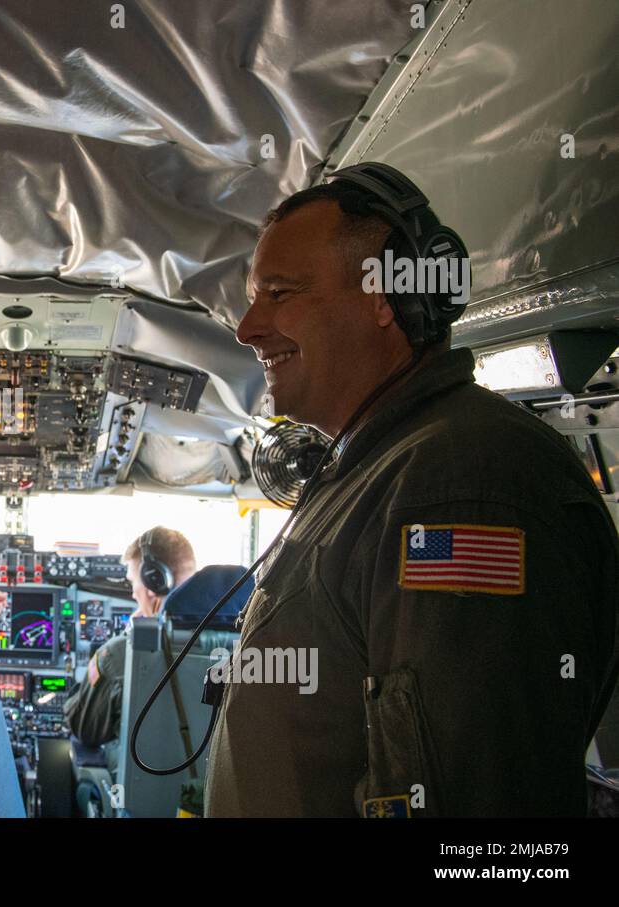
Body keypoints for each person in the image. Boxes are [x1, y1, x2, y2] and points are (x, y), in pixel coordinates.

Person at [205, 162, 619, 817]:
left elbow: (469, 806)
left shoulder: (463, 486)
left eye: (279, 293)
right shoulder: (377, 467)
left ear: (384, 297)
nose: (247, 327)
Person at [64, 528, 196, 752]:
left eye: (133, 582)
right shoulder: (241, 639)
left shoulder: (120, 654)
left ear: (154, 581)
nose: (134, 594)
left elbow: (84, 729)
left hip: (138, 783)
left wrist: (126, 637)